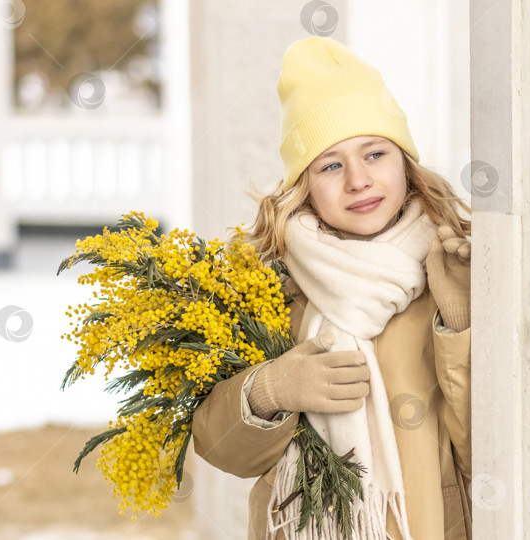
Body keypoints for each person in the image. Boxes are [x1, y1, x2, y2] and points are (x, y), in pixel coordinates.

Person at [191, 35, 472, 540]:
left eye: (375, 153)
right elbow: (220, 450)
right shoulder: (267, 287)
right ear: (305, 185)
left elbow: (489, 444)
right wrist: (270, 390)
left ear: (405, 164)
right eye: (331, 165)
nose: (358, 180)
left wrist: (458, 322)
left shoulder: (453, 269)